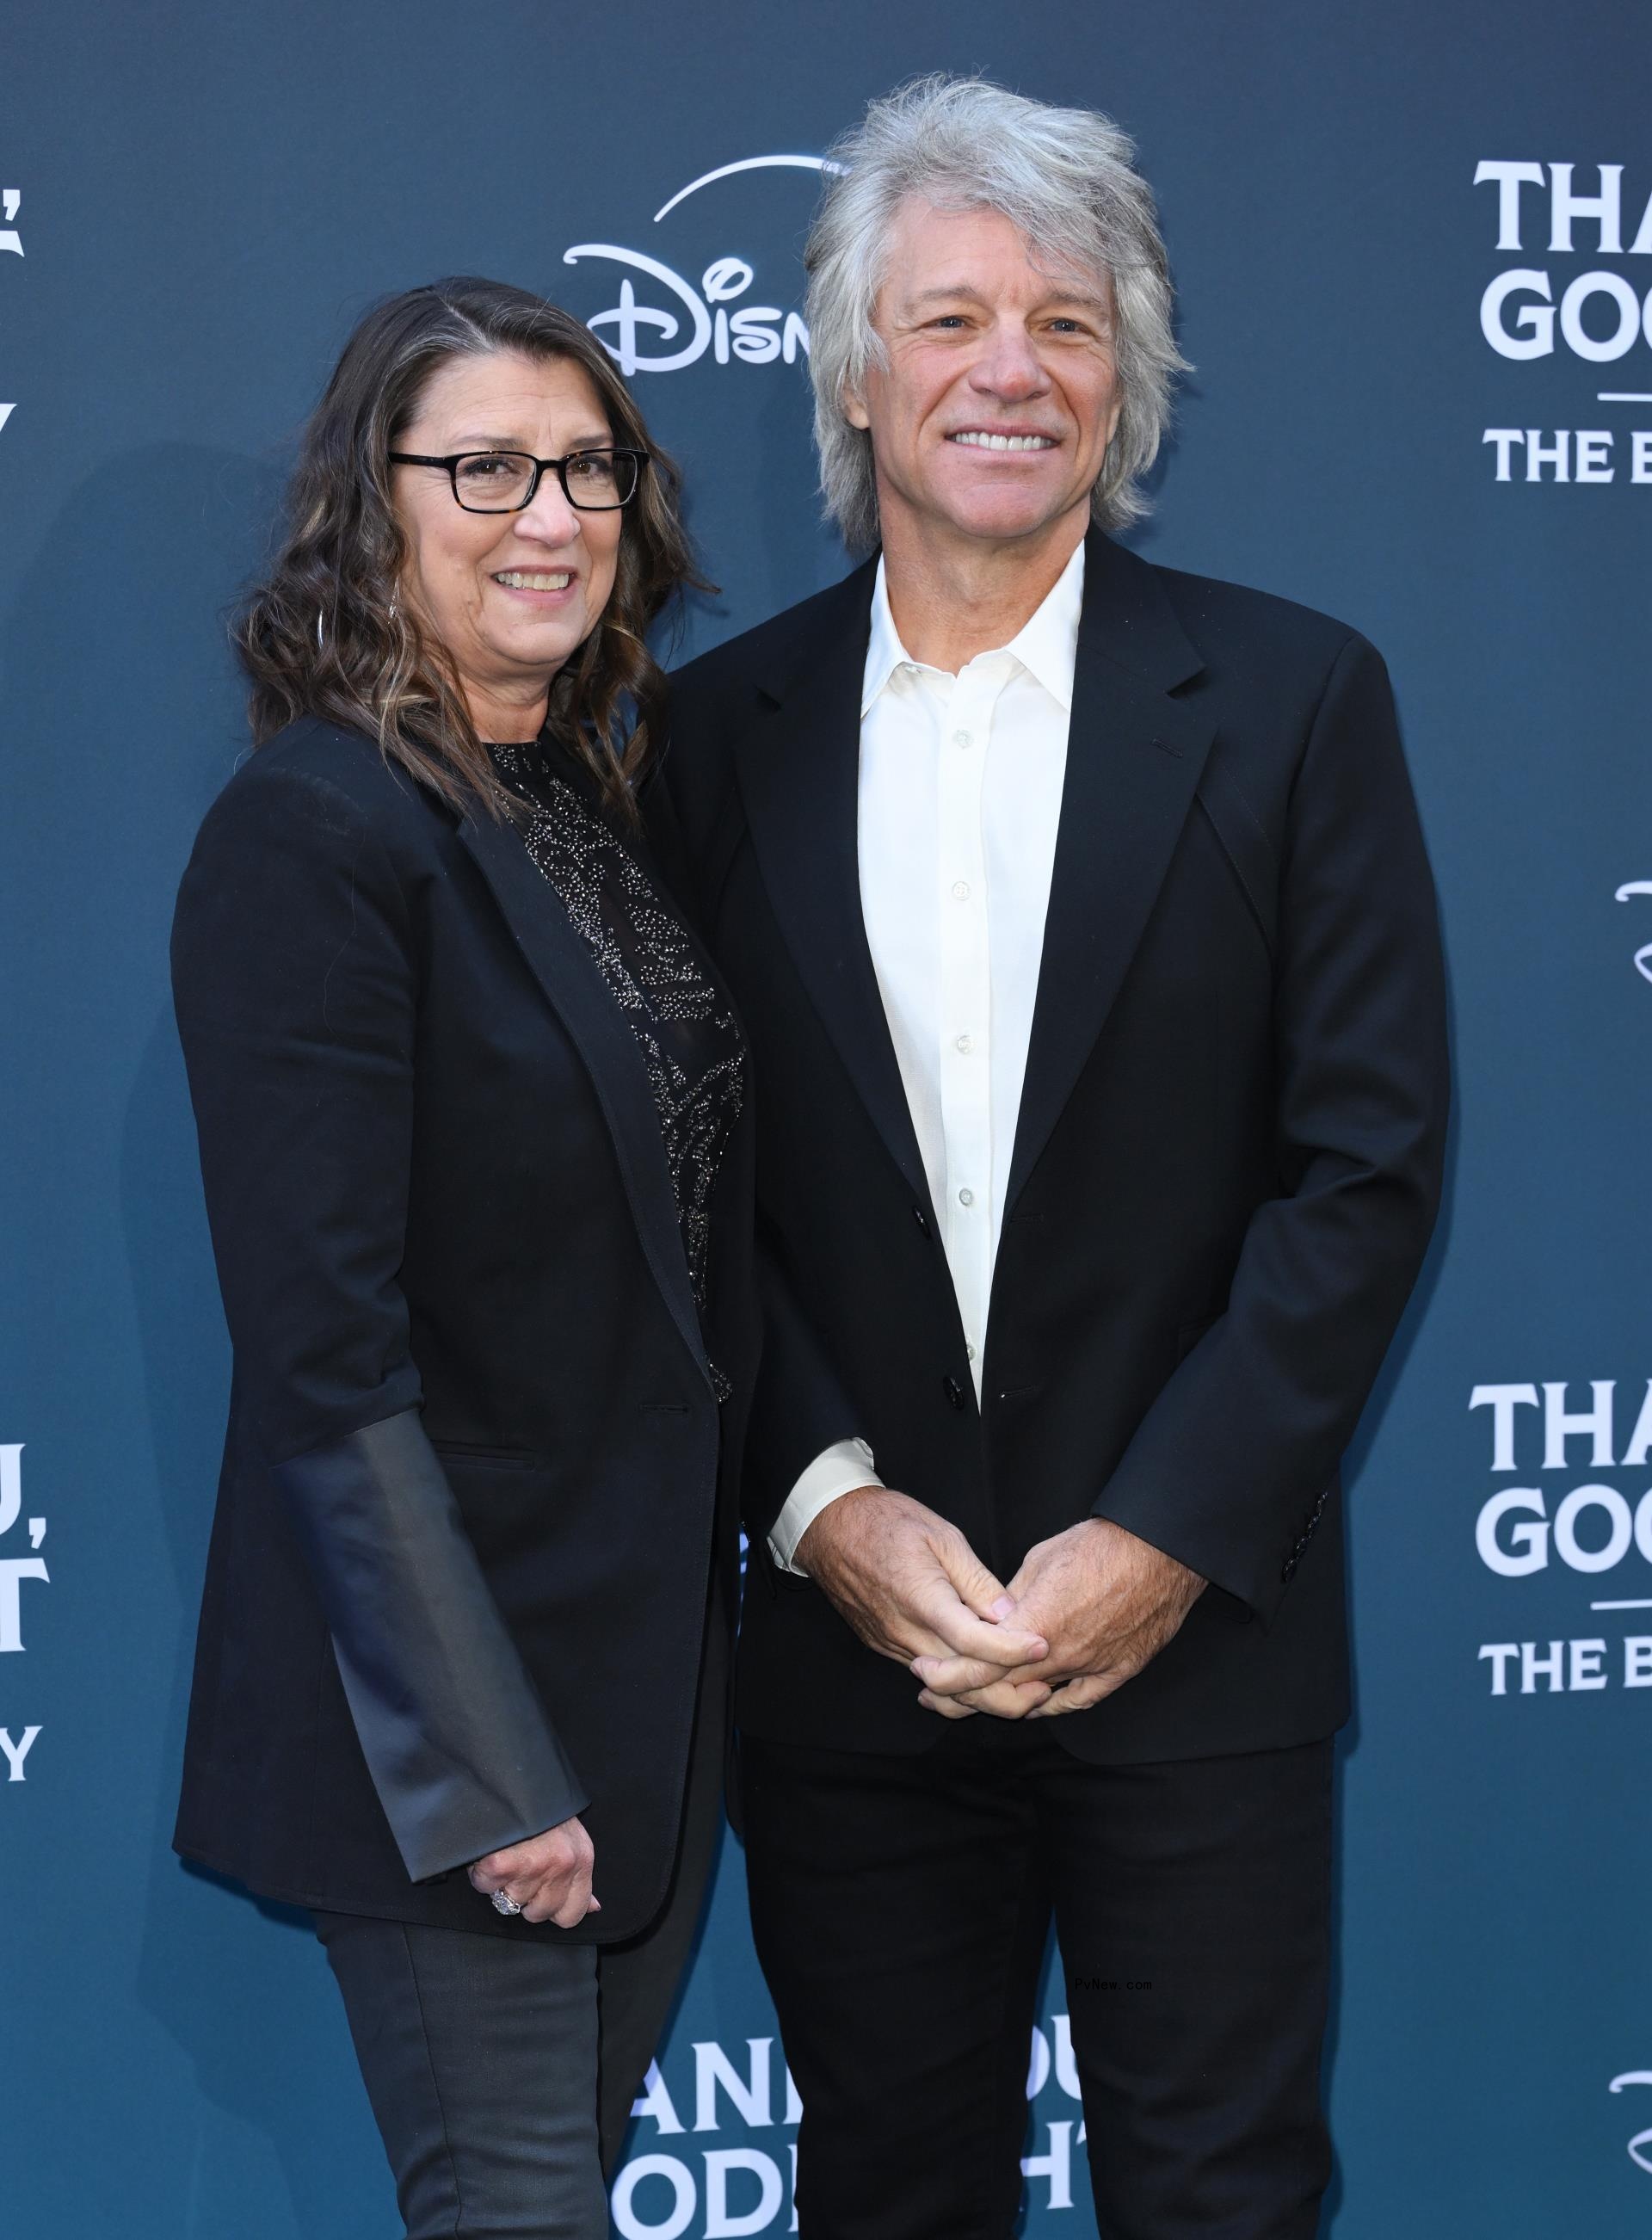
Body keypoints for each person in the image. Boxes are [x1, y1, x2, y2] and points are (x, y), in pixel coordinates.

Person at [664, 76, 1450, 2240]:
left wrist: (1164, 1538)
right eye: (951, 320)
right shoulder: (709, 740)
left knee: (1222, 2197)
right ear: (851, 372)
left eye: (1071, 324)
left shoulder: (1296, 704)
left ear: (1131, 382)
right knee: (890, 2198)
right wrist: (824, 1508)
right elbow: (686, 1195)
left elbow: (1366, 1166)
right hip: (855, 1658)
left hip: (1198, 1655)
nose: (1014, 367)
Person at [170, 277, 755, 2240]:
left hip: (639, 1701)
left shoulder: (579, 804)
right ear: (376, 504)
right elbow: (325, 1356)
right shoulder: (317, 826)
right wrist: (490, 1769)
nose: (551, 515)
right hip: (453, 1742)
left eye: (586, 466)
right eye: (486, 467)